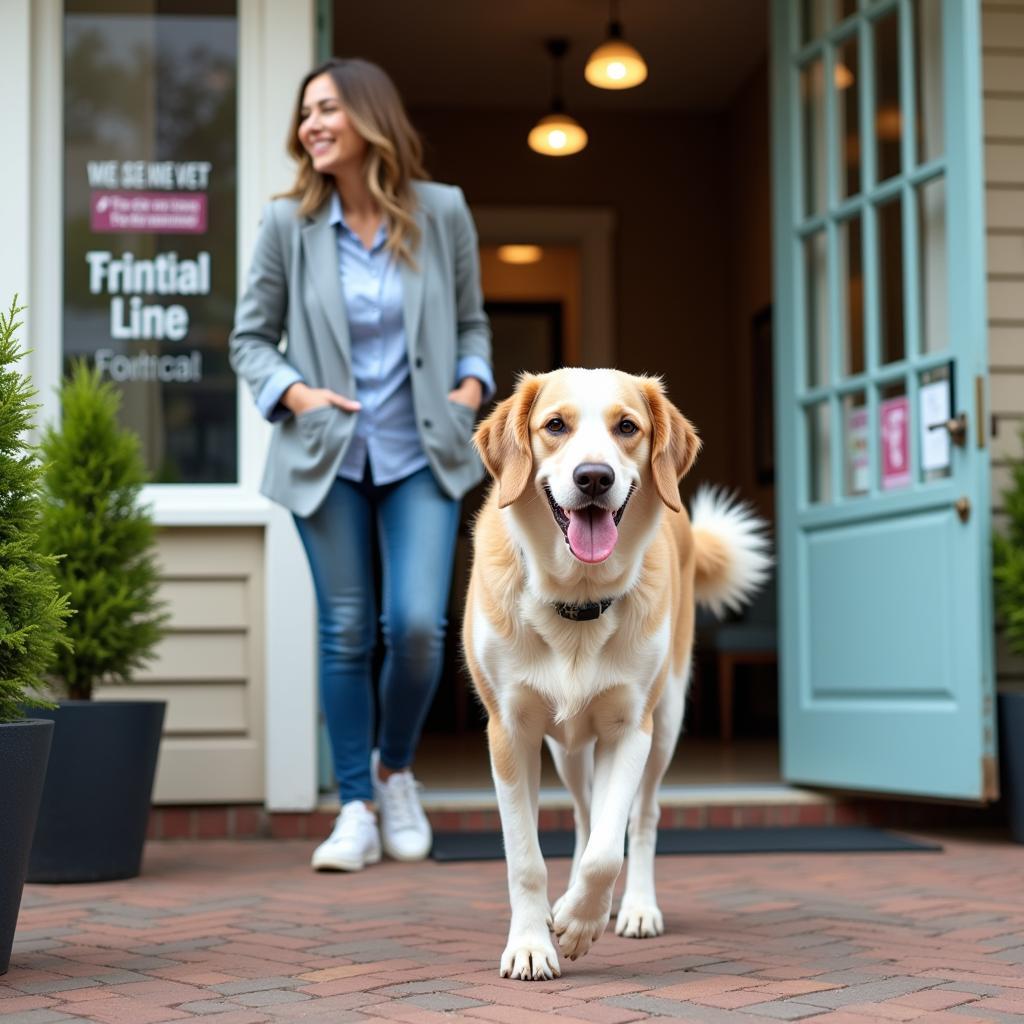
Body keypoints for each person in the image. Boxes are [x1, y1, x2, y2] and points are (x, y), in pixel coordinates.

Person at [229, 58, 493, 872]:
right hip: (328, 457)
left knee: (417, 629)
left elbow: (473, 322)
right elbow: (249, 340)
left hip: (424, 452)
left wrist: (472, 388)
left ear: (369, 117)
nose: (311, 124)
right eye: (305, 112)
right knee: (346, 632)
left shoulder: (441, 211)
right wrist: (297, 394)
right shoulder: (287, 227)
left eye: (327, 108)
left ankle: (396, 771)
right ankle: (354, 807)